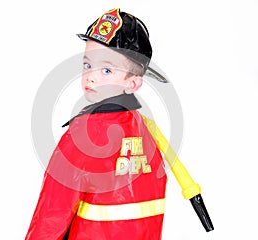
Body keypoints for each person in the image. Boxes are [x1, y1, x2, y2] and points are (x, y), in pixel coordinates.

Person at [25, 7, 208, 240]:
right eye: (87, 65)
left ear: (133, 84)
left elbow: (50, 217)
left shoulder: (81, 137)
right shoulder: (148, 134)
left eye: (107, 69)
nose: (90, 76)